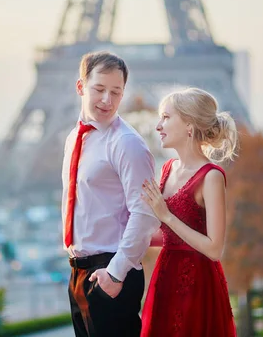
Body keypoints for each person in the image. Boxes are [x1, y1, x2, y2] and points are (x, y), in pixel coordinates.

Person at [61, 51, 161, 337]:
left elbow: (145, 213)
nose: (107, 99)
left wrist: (115, 273)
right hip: (79, 272)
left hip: (111, 271)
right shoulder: (74, 138)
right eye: (99, 89)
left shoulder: (127, 144)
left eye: (115, 92)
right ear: (81, 87)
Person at [140, 87, 238, 337]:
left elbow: (215, 248)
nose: (158, 126)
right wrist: (131, 240)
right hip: (165, 277)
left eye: (166, 117)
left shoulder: (211, 176)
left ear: (189, 126)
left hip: (197, 285)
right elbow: (172, 237)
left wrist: (166, 216)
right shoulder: (168, 168)